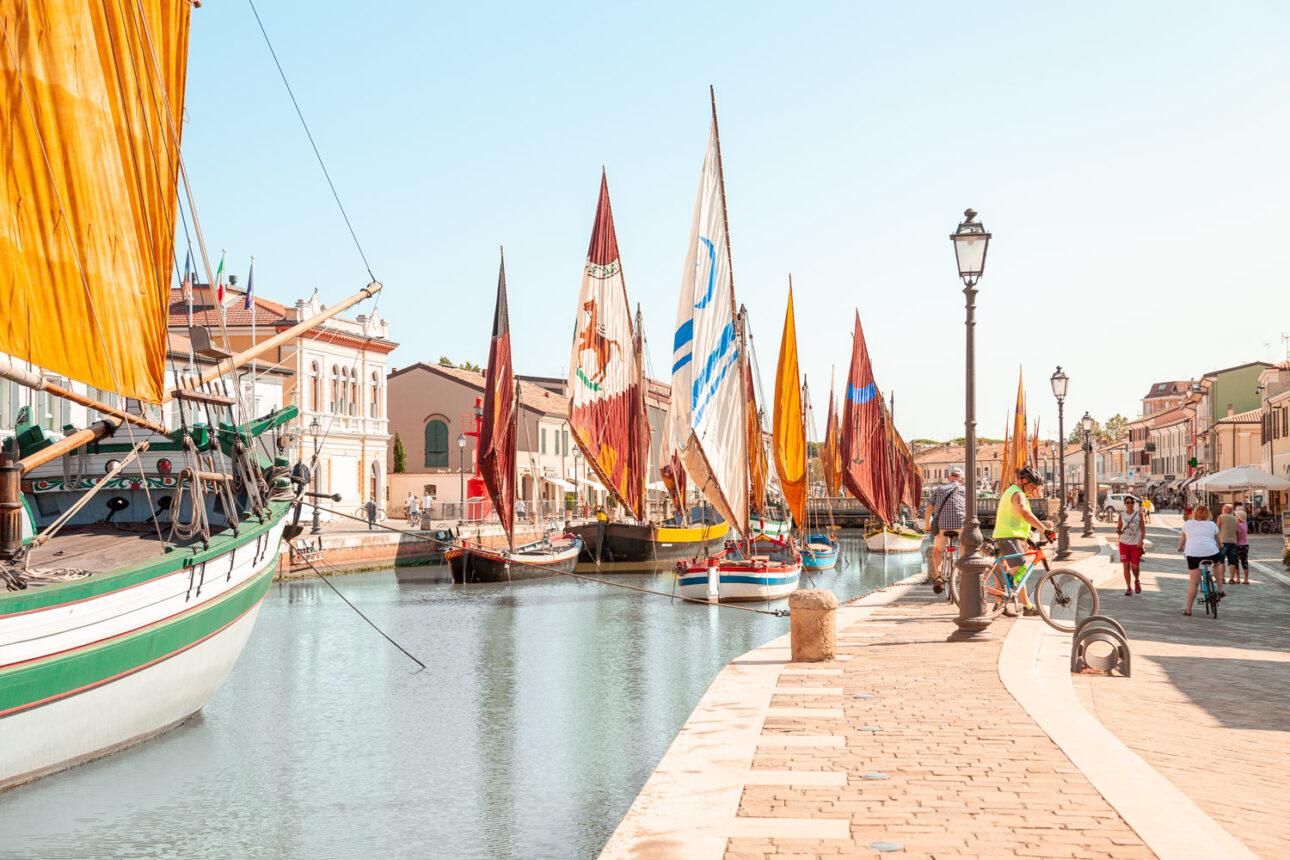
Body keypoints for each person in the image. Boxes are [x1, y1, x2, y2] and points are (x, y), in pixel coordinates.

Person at [992, 465, 1055, 616]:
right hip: (1009, 536)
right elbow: (1024, 513)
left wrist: (1029, 539)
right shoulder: (1018, 494)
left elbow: (1017, 518)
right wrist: (1044, 529)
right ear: (1024, 481)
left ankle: (999, 604)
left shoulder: (1012, 492)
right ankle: (1026, 606)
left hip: (1006, 535)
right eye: (1033, 485)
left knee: (1003, 571)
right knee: (1020, 570)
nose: (1034, 489)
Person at [923, 467, 965, 594]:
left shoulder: (939, 490)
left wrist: (927, 525)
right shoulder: (965, 490)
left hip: (943, 527)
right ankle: (962, 571)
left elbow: (928, 510)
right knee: (965, 544)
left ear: (949, 478)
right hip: (960, 526)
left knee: (937, 550)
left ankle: (939, 576)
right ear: (962, 479)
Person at [1177, 503, 1223, 615]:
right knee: (1217, 564)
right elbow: (1218, 540)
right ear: (1208, 514)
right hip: (1211, 552)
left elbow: (1183, 540)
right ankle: (1220, 588)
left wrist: (1180, 548)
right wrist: (1221, 547)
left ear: (1194, 514)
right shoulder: (1212, 525)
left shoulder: (1187, 524)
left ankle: (1188, 609)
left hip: (1193, 554)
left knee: (1193, 583)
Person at [1116, 495, 1146, 596]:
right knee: (1126, 566)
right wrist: (1118, 531)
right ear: (1125, 504)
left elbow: (1143, 529)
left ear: (1134, 503)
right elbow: (1119, 528)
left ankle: (1137, 580)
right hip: (1124, 543)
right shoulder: (1122, 515)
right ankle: (1129, 588)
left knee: (1135, 567)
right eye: (1127, 503)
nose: (1130, 504)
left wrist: (1141, 540)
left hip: (1135, 544)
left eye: (1131, 502)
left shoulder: (1139, 515)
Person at [1216, 503, 1239, 584]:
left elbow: (1216, 529)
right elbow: (1237, 532)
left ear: (1224, 510)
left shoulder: (1221, 517)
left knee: (1221, 561)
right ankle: (1232, 579)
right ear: (1231, 510)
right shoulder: (1236, 518)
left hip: (1222, 542)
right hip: (1233, 542)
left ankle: (1222, 578)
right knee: (1232, 562)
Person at [1235, 508, 1251, 585]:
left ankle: (1238, 578)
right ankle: (1246, 579)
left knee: (1236, 562)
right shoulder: (1245, 523)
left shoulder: (1238, 525)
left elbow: (1237, 535)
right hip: (1245, 545)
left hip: (1238, 545)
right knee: (1245, 562)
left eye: (1236, 516)